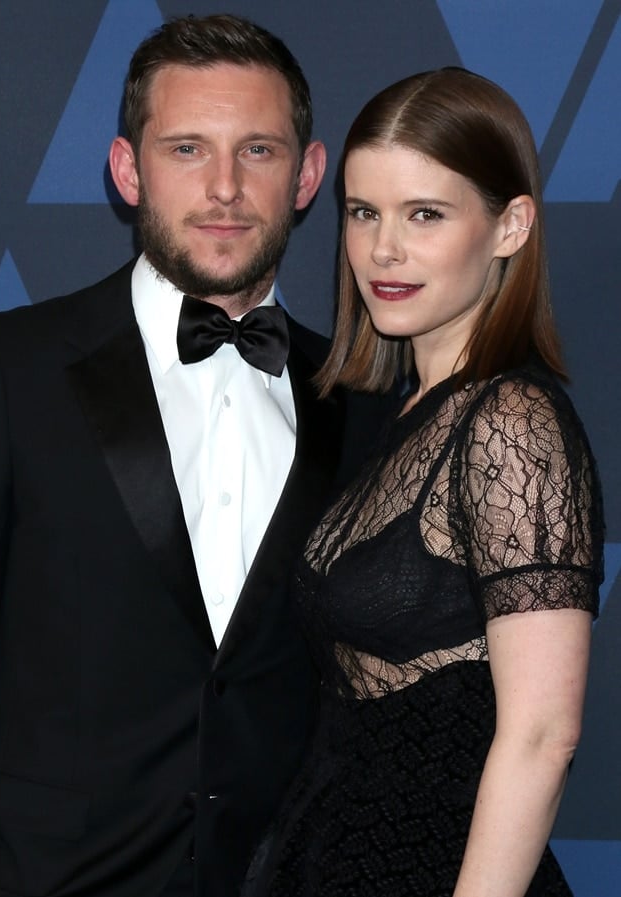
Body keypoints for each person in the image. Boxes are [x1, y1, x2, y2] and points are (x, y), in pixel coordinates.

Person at [0, 14, 383, 897]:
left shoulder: (361, 398)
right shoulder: (5, 371)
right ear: (128, 171)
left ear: (308, 175)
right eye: (185, 149)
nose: (223, 188)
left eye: (257, 151)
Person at [242, 68, 605, 897]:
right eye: (364, 212)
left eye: (425, 215)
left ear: (511, 226)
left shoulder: (511, 422)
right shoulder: (402, 414)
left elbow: (543, 732)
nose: (383, 250)